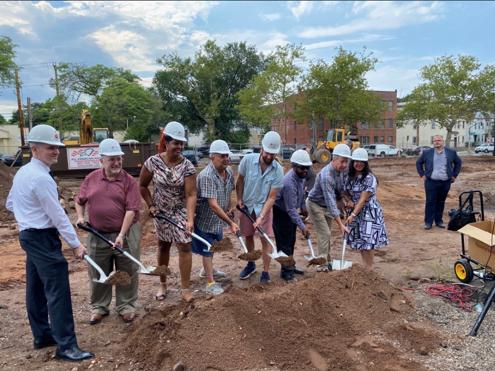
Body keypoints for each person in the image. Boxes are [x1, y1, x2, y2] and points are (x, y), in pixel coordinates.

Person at [5, 124, 93, 361]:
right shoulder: (41, 178)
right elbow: (59, 217)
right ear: (34, 149)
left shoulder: (23, 173)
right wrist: (75, 244)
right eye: (49, 148)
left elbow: (10, 204)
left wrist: (27, 216)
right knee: (57, 290)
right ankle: (66, 346)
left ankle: (42, 335)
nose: (55, 151)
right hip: (42, 237)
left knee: (35, 288)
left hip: (29, 235)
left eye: (56, 147)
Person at [75, 139, 141, 324]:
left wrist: (120, 235)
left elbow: (131, 210)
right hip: (97, 234)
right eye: (112, 159)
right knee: (97, 270)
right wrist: (80, 217)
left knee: (127, 269)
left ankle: (126, 305)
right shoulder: (91, 178)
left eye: (119, 159)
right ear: (101, 160)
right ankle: (99, 307)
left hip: (126, 234)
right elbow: (79, 201)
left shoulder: (128, 181)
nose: (117, 163)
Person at [139, 121, 197, 303]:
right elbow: (142, 186)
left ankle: (185, 288)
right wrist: (151, 206)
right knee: (163, 245)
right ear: (166, 142)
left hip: (180, 211)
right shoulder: (153, 162)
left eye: (182, 143)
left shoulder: (187, 166)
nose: (179, 147)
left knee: (185, 246)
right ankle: (162, 284)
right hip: (161, 212)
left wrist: (189, 219)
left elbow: (191, 194)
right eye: (176, 143)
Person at [236, 131, 284, 283]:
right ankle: (251, 264)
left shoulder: (278, 170)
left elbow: (272, 197)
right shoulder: (247, 161)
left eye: (273, 154)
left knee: (265, 238)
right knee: (248, 235)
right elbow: (240, 181)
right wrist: (238, 199)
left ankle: (265, 271)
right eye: (267, 153)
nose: (270, 157)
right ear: (261, 149)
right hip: (247, 206)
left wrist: (261, 216)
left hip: (264, 208)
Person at [193, 140, 238, 295]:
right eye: (222, 156)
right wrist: (230, 222)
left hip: (219, 219)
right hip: (205, 220)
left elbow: (229, 192)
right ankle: (210, 282)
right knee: (207, 249)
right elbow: (212, 204)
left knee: (212, 248)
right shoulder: (206, 176)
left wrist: (230, 208)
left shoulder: (229, 171)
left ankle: (207, 271)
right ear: (212, 156)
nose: (226, 158)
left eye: (227, 155)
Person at [306, 144, 351, 272]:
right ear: (334, 159)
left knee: (326, 235)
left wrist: (344, 200)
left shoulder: (341, 171)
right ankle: (322, 265)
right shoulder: (327, 176)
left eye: (346, 162)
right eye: (342, 161)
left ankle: (328, 261)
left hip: (326, 206)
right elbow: (331, 202)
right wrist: (341, 225)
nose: (344, 164)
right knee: (324, 233)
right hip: (315, 204)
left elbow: (340, 190)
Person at [343, 148, 388, 269]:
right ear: (352, 162)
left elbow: (363, 199)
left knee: (368, 242)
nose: (359, 164)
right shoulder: (348, 177)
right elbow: (344, 192)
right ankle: (366, 267)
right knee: (360, 241)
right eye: (356, 161)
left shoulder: (369, 178)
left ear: (366, 163)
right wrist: (349, 200)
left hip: (369, 213)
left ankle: (369, 268)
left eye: (362, 161)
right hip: (355, 211)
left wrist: (352, 215)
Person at [272, 150, 312, 281]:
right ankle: (286, 272)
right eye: (302, 168)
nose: (305, 170)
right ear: (294, 166)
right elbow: (290, 210)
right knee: (284, 243)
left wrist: (303, 207)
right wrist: (302, 226)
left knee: (291, 240)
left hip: (290, 211)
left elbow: (301, 192)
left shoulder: (301, 177)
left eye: (307, 167)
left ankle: (290, 266)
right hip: (281, 213)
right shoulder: (289, 182)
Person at [416, 135, 462, 230]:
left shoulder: (451, 152)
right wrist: (422, 174)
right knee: (430, 202)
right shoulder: (427, 153)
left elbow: (458, 163)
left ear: (442, 141)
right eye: (435, 141)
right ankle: (428, 222)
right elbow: (418, 163)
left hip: (445, 182)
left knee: (441, 202)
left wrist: (454, 175)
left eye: (439, 140)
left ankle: (439, 221)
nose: (436, 142)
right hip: (431, 182)